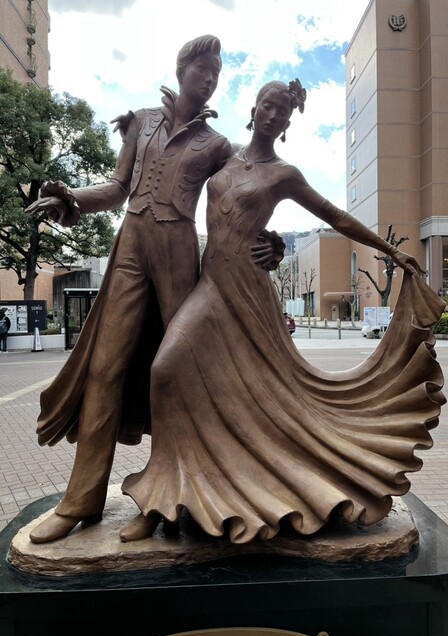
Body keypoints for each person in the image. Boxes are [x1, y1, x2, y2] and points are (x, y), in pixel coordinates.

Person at [119, 79, 446, 543]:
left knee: (267, 398)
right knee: (166, 372)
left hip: (249, 293)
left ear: (288, 125)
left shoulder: (284, 174)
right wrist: (141, 131)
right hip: (209, 286)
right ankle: (163, 502)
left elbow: (335, 216)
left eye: (283, 114)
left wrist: (389, 251)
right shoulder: (223, 155)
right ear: (254, 109)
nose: (273, 117)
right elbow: (176, 160)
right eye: (268, 107)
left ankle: (251, 491)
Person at [26, 36, 282, 545]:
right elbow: (118, 187)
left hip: (179, 250)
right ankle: (81, 501)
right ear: (182, 69)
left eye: (217, 74)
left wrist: (270, 241)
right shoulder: (141, 122)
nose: (210, 79)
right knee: (104, 367)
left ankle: (167, 499)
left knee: (178, 373)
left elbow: (244, 191)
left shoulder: (217, 146)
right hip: (131, 246)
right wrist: (71, 197)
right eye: (203, 69)